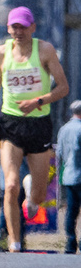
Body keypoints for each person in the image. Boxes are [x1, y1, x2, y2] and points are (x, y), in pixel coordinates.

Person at [0, 6, 68, 253]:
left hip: (39, 123)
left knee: (39, 197)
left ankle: (33, 195)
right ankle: (14, 241)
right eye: (14, 27)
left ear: (33, 28)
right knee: (10, 185)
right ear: (8, 29)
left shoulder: (45, 51)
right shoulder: (0, 52)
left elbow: (63, 88)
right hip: (10, 123)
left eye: (23, 26)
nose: (18, 31)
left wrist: (37, 101)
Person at [56, 100, 81, 254]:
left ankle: (70, 242)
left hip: (68, 175)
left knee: (71, 210)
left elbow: (59, 153)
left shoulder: (63, 129)